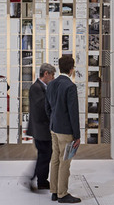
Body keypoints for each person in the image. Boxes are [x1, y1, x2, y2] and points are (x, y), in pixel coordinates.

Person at [45, 55, 81, 203]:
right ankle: (62, 194)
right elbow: (73, 113)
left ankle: (54, 191)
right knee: (65, 161)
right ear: (72, 69)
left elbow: (47, 108)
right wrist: (77, 135)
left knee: (55, 159)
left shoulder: (51, 84)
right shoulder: (70, 86)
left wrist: (53, 121)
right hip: (66, 131)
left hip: (53, 127)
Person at [27, 63, 56, 191]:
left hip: (42, 129)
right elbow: (41, 109)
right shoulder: (36, 88)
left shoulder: (41, 87)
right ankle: (38, 180)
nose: (53, 78)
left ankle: (40, 180)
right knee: (45, 155)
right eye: (52, 75)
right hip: (41, 129)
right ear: (46, 74)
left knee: (44, 155)